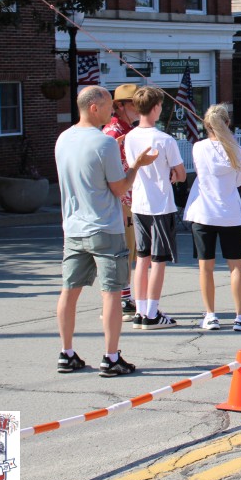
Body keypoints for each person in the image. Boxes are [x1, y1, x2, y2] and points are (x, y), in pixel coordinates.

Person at [54, 85, 159, 376]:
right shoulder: (104, 144)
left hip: (73, 227)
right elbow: (119, 187)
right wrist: (137, 165)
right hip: (104, 227)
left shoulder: (63, 139)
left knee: (69, 290)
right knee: (111, 292)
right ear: (93, 108)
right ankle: (111, 357)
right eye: (108, 105)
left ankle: (66, 353)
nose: (111, 110)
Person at [183, 104, 241, 331]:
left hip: (204, 213)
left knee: (205, 268)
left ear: (206, 125)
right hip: (230, 214)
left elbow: (201, 173)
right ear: (227, 123)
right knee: (236, 267)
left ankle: (210, 316)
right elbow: (238, 182)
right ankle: (240, 317)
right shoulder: (236, 149)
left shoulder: (199, 148)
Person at [124, 86, 186, 330]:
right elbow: (181, 173)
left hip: (139, 202)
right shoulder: (165, 139)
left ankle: (141, 310)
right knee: (158, 260)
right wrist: (174, 175)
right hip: (161, 204)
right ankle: (151, 312)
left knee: (142, 258)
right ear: (156, 107)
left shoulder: (130, 137)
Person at [101, 83, 139, 319]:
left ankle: (124, 296)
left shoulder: (127, 130)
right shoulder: (114, 133)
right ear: (121, 106)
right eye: (134, 103)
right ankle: (121, 299)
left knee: (129, 251)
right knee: (122, 252)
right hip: (120, 201)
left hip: (128, 199)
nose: (139, 107)